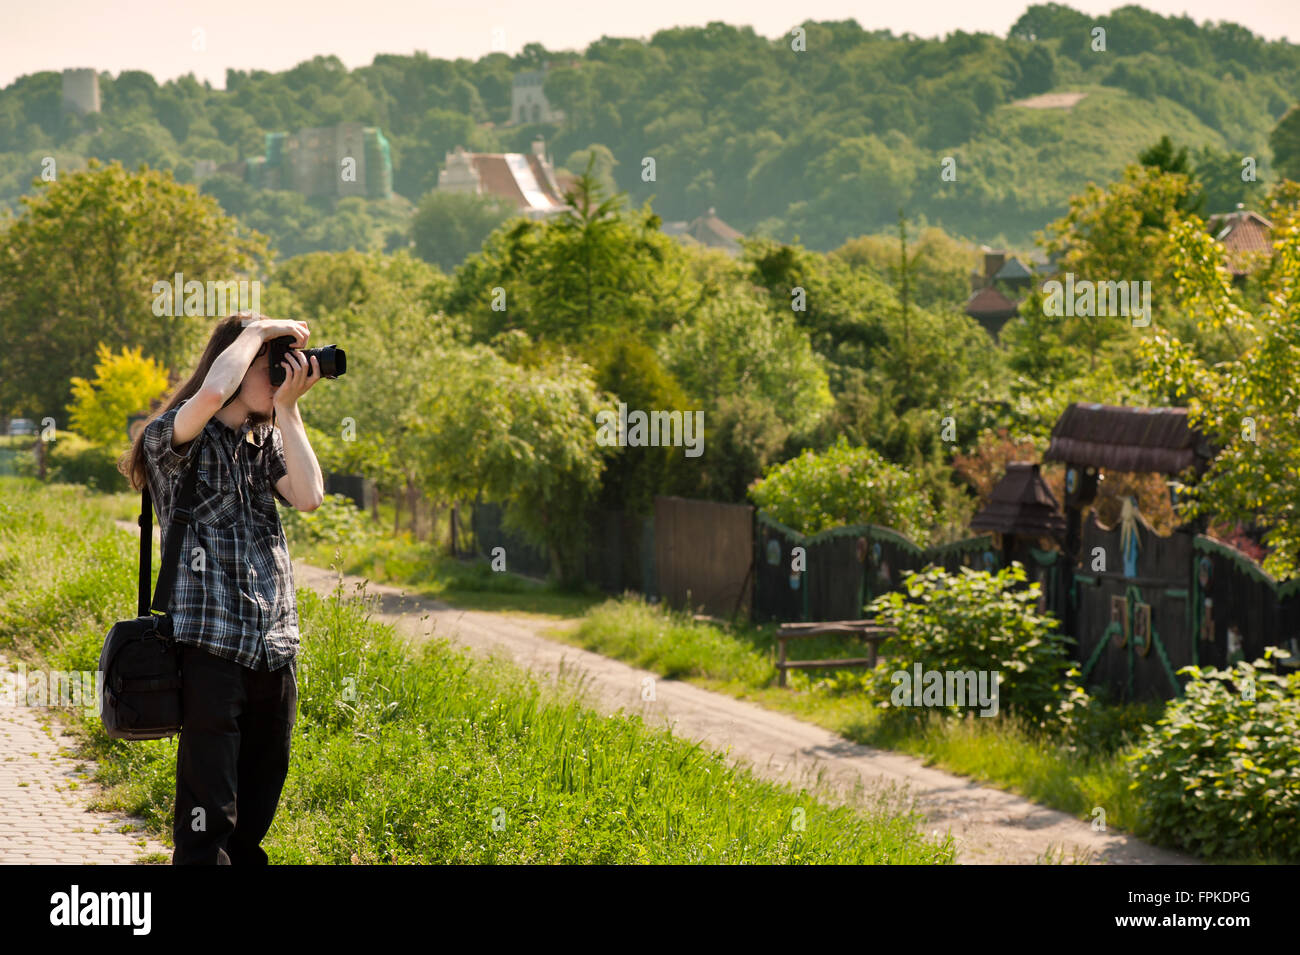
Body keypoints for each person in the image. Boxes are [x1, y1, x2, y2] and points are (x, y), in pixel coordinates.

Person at [120, 313, 324, 864]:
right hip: (211, 649)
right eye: (272, 367)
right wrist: (256, 332)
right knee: (208, 819)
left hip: (274, 648)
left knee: (253, 819)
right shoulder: (173, 438)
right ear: (235, 364)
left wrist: (289, 409)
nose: (284, 376)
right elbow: (211, 393)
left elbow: (308, 497)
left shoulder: (264, 443)